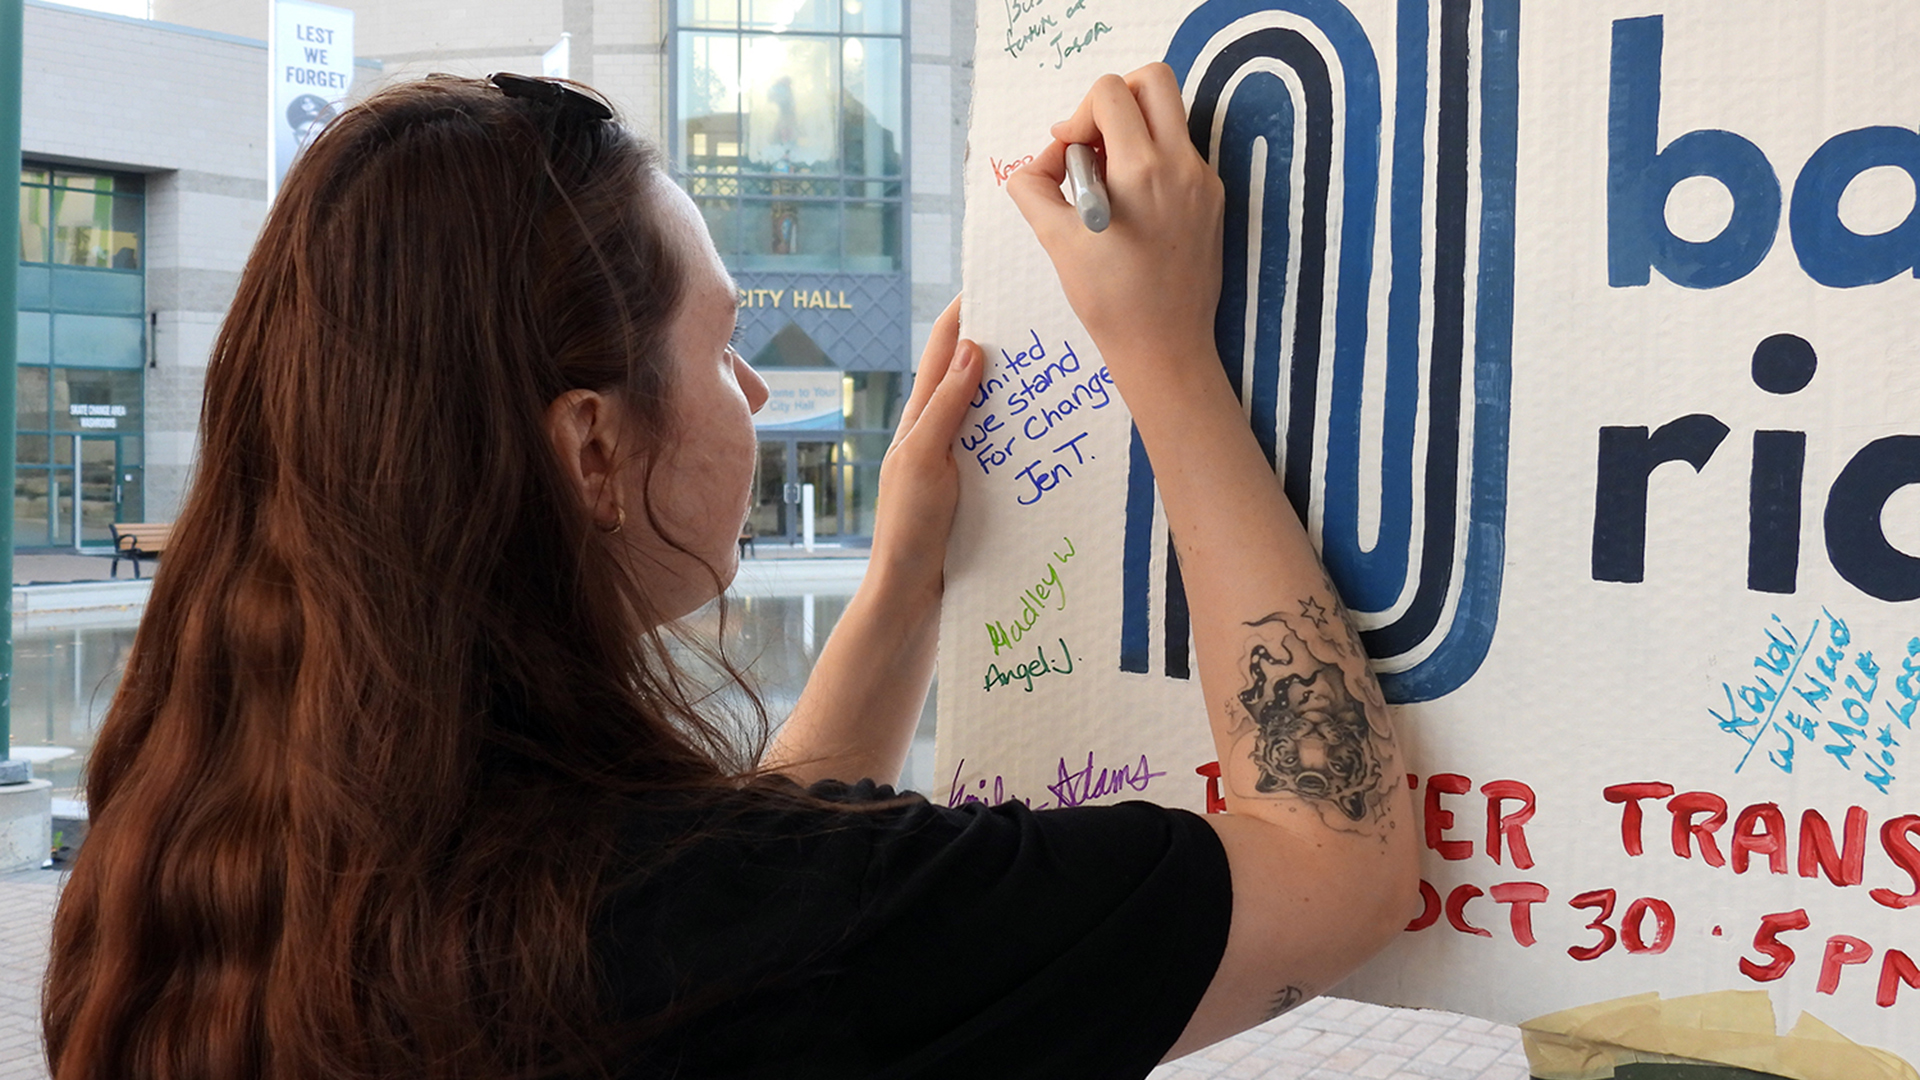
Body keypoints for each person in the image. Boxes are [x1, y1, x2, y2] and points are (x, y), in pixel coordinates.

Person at [42, 66, 1417, 1080]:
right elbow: (1335, 868)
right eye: (720, 346)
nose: (755, 389)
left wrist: (903, 582)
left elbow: (736, 880)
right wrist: (1168, 357)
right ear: (590, 444)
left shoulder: (182, 867)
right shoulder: (704, 928)